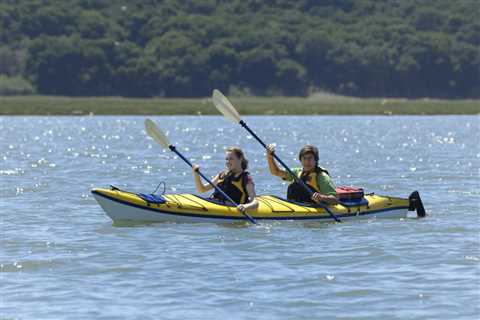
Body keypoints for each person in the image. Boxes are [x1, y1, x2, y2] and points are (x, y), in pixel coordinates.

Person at [192, 147, 258, 213]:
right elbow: (202, 189)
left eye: (231, 159)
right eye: (226, 159)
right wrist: (196, 174)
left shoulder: (246, 178)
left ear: (240, 159)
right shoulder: (222, 175)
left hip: (230, 209)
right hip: (214, 203)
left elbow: (255, 202)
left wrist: (245, 207)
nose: (228, 162)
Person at [266, 144, 337, 204]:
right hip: (296, 205)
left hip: (315, 207)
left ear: (316, 160)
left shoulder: (322, 177)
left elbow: (335, 199)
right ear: (301, 160)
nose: (307, 161)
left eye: (310, 158)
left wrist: (322, 197)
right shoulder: (297, 172)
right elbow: (276, 172)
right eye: (304, 158)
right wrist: (270, 156)